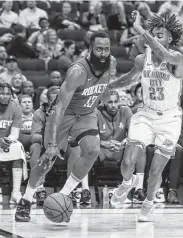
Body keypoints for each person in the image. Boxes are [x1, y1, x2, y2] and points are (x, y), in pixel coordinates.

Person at [15, 31, 117, 222]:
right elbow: (59, 108)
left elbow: (104, 92)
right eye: (99, 49)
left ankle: (64, 195)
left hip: (87, 113)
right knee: (47, 160)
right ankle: (26, 200)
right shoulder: (77, 71)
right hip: (63, 115)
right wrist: (52, 143)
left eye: (107, 48)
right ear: (90, 49)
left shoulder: (110, 63)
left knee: (92, 150)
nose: (103, 53)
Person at [109, 11, 183, 222]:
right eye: (153, 34)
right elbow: (128, 80)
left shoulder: (177, 59)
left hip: (169, 120)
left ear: (170, 39)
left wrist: (140, 29)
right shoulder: (143, 59)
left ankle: (148, 204)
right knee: (127, 163)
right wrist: (107, 86)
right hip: (146, 115)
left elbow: (166, 55)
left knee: (155, 171)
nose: (155, 38)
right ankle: (126, 183)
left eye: (160, 34)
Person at [29, 86, 60, 205]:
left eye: (59, 100)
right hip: (45, 146)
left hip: (63, 146)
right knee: (35, 147)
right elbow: (35, 136)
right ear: (48, 101)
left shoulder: (70, 112)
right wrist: (51, 141)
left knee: (76, 148)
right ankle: (39, 187)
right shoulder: (39, 113)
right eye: (53, 101)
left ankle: (74, 190)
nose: (56, 103)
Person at [0, 82, 27, 204]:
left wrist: (8, 140)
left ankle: (15, 192)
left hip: (4, 142)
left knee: (17, 147)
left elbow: (15, 133)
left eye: (7, 94)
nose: (5, 96)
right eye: (2, 93)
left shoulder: (16, 107)